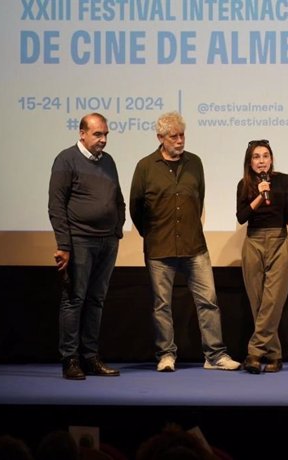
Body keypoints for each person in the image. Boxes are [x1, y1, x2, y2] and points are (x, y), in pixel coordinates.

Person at [130, 111, 240, 372]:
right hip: (159, 247)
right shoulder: (145, 167)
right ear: (160, 138)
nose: (180, 141)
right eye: (173, 136)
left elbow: (198, 199)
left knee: (209, 301)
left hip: (194, 246)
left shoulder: (195, 163)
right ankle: (166, 355)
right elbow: (136, 208)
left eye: (182, 135)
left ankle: (214, 355)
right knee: (162, 305)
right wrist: (153, 233)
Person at [48, 112, 124, 380]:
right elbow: (56, 206)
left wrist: (117, 230)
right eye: (97, 134)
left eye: (105, 134)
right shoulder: (66, 159)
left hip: (107, 241)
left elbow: (118, 198)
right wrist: (64, 244)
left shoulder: (109, 162)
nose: (103, 139)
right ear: (82, 133)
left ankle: (90, 357)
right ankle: (70, 359)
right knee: (74, 300)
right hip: (79, 240)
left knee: (96, 300)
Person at [236, 139, 288, 374]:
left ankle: (254, 353)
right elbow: (242, 216)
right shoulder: (244, 185)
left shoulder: (284, 180)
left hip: (279, 241)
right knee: (259, 303)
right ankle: (274, 354)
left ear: (271, 159)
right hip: (253, 242)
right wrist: (258, 195)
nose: (262, 160)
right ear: (250, 161)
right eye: (256, 156)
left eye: (265, 155)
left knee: (272, 301)